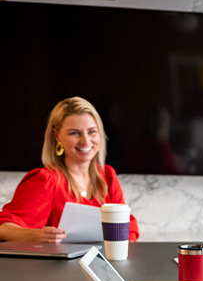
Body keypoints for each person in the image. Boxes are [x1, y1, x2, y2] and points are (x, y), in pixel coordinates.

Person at [0, 96, 140, 243]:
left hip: (103, 265)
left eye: (92, 131)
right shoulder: (47, 181)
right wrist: (37, 236)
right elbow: (3, 228)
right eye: (74, 133)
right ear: (57, 136)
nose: (85, 141)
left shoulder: (107, 177)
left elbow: (128, 227)